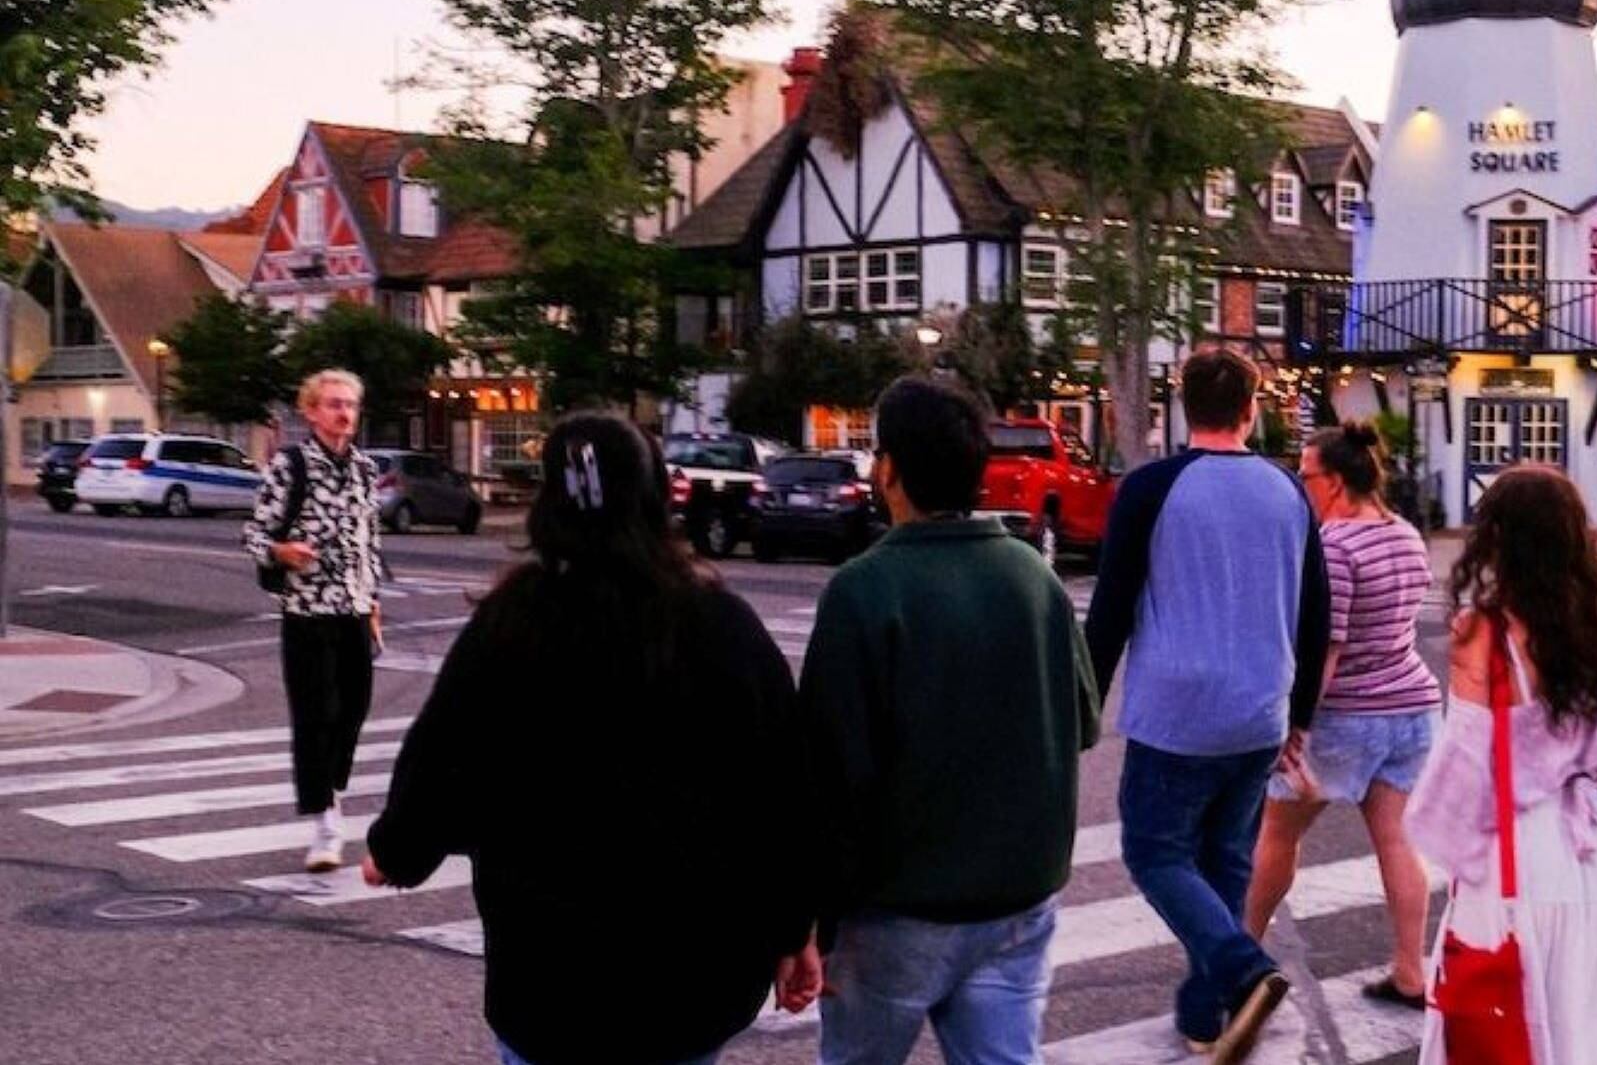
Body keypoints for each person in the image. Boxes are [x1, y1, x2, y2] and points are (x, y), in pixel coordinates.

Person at [361, 414, 815, 1065]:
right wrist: (793, 925)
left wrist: (396, 850)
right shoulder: (721, 625)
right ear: (658, 498)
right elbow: (782, 789)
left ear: (549, 508)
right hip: (688, 979)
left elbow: (443, 762)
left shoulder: (510, 625)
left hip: (549, 979)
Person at [799, 376, 1100, 1065]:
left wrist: (811, 917)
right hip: (1019, 898)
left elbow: (830, 776)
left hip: (896, 908)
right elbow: (1081, 722)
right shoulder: (1034, 577)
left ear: (890, 469)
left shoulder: (863, 590)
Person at [1084, 348, 1329, 1065]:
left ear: (1182, 406)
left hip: (1177, 709)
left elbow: (1112, 608)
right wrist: (1301, 714)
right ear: (1252, 408)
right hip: (1260, 709)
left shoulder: (1151, 488)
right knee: (1225, 858)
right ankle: (1206, 1012)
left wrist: (1086, 700)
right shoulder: (1288, 491)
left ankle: (1244, 970)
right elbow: (1316, 612)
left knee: (1154, 850)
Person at [1407, 465, 1597, 1065]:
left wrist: (1441, 844)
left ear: (1497, 540)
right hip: (1589, 851)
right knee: (1582, 1026)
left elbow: (1464, 774)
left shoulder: (1481, 633)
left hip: (1514, 855)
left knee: (1507, 1025)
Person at [1246, 421, 1439, 1010]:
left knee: (1276, 834)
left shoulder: (1334, 546)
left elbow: (1326, 652)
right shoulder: (1405, 533)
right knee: (1398, 841)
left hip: (1346, 716)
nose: (1301, 486)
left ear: (1332, 481)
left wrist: (1295, 728)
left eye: (1305, 475)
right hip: (1412, 709)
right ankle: (1412, 970)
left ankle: (1237, 959)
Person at [243, 369, 385, 874]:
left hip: (353, 609)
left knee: (354, 710)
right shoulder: (290, 466)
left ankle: (329, 786)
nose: (343, 413)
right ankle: (325, 824)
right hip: (306, 613)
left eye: (350, 404)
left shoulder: (366, 470)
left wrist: (373, 604)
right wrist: (281, 550)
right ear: (311, 411)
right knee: (314, 718)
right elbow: (253, 536)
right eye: (332, 404)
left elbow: (369, 542)